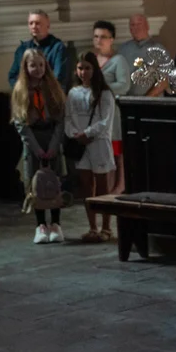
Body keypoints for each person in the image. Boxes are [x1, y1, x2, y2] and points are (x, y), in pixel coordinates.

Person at [11, 49, 67, 244]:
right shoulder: (20, 89)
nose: (37, 69)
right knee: (37, 184)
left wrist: (53, 145)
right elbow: (21, 124)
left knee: (54, 181)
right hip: (34, 142)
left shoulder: (52, 87)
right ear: (25, 67)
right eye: (33, 65)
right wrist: (37, 149)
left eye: (41, 65)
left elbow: (60, 119)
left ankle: (56, 224)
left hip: (51, 138)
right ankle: (41, 225)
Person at [65, 53, 116, 242]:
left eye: (87, 68)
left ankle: (106, 227)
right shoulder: (73, 93)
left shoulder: (104, 93)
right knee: (87, 187)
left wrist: (87, 133)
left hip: (99, 142)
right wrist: (75, 134)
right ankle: (92, 226)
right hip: (81, 144)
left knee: (103, 188)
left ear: (94, 70)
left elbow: (105, 121)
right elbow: (68, 117)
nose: (83, 72)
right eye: (80, 68)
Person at [92, 20, 131, 195]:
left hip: (112, 113)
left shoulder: (118, 60)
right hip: (94, 113)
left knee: (116, 150)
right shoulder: (91, 59)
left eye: (103, 37)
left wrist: (102, 90)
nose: (99, 40)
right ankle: (102, 186)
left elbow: (124, 85)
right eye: (96, 36)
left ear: (112, 39)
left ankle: (120, 185)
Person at [8, 10, 67, 89]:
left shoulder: (58, 48)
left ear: (48, 25)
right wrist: (23, 91)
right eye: (31, 23)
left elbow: (59, 77)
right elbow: (13, 76)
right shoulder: (22, 49)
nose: (34, 26)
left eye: (37, 23)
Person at [118, 14, 166, 91]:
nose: (136, 28)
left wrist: (147, 98)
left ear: (147, 26)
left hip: (152, 101)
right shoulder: (122, 49)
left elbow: (164, 80)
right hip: (127, 100)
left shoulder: (158, 49)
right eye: (133, 25)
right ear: (130, 29)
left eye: (139, 24)